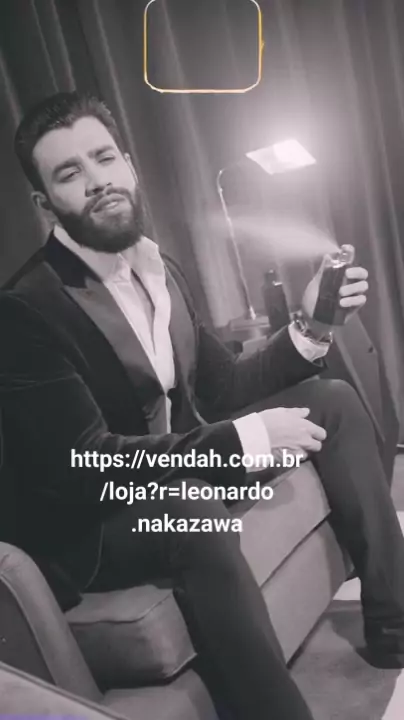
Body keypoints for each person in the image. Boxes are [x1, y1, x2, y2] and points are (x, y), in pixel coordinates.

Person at [1, 91, 404, 719]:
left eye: (104, 158)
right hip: (99, 519)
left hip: (184, 464)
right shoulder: (26, 310)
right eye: (69, 172)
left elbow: (220, 389)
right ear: (44, 202)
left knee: (331, 400)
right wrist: (245, 441)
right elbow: (87, 464)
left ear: (129, 166)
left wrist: (312, 325)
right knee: (190, 511)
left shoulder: (158, 267)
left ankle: (395, 626)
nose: (97, 180)